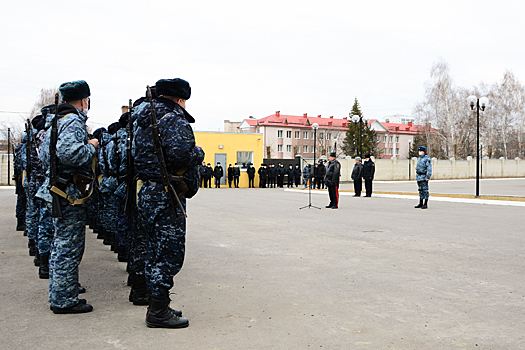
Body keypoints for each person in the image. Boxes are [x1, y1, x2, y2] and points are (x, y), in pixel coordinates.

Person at [134, 78, 204, 328]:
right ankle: (158, 311)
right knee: (169, 253)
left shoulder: (142, 118)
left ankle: (158, 303)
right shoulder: (172, 118)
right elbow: (182, 153)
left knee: (154, 250)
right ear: (181, 99)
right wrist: (200, 153)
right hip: (166, 195)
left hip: (149, 192)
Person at [36, 80, 99, 314]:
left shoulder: (55, 121)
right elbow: (71, 154)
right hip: (67, 194)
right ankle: (63, 300)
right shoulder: (72, 120)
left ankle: (62, 293)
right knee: (68, 248)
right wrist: (92, 145)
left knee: (60, 246)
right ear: (84, 101)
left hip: (58, 190)